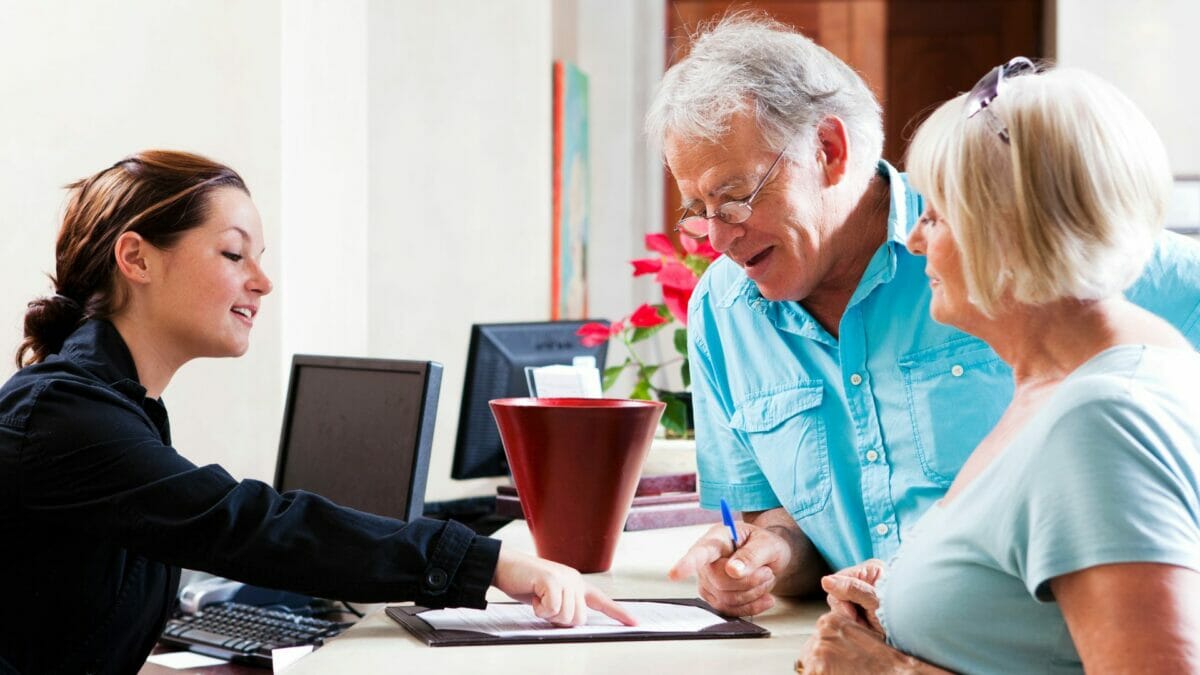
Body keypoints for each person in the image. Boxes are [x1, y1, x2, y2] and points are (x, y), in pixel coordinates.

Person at [646, 14, 1200, 616]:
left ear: (829, 151)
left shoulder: (997, 237)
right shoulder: (723, 315)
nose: (717, 240)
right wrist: (769, 552)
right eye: (699, 208)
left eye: (734, 198)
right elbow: (784, 519)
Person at [0, 150, 633, 675]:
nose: (261, 282)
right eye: (233, 254)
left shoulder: (107, 407)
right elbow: (239, 523)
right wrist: (488, 563)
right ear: (135, 258)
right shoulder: (64, 414)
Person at [800, 61, 1200, 674]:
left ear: (1007, 233)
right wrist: (916, 595)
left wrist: (892, 673)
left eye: (934, 216)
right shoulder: (1071, 376)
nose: (913, 242)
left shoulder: (1103, 420)